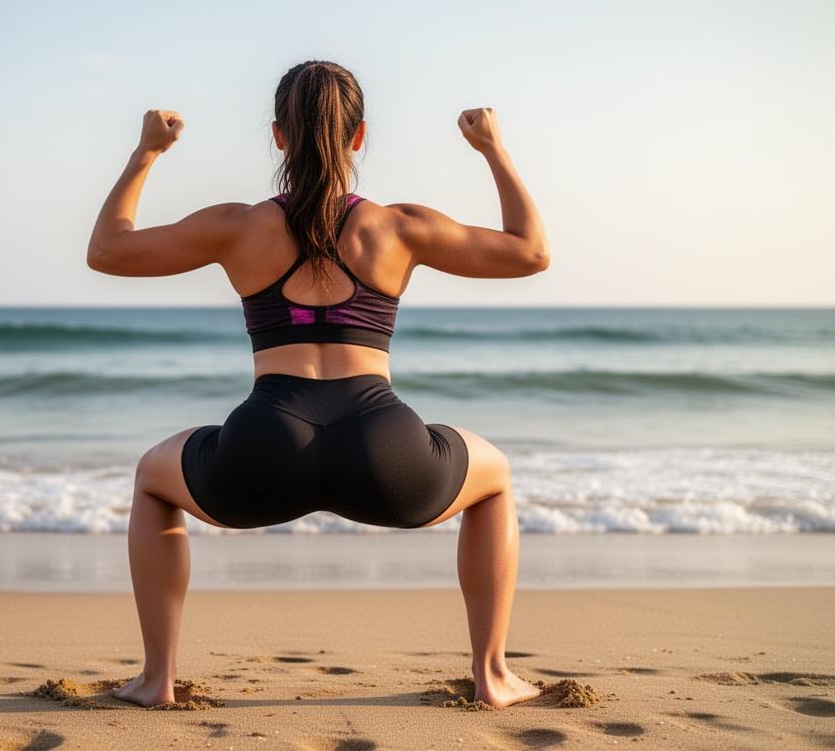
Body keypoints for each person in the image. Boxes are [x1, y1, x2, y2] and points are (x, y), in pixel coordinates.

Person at [86, 60, 550, 710]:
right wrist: (492, 149)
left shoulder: (238, 226)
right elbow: (531, 251)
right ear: (358, 137)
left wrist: (146, 154)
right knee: (494, 478)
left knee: (151, 477)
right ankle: (493, 674)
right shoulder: (398, 226)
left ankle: (158, 680)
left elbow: (107, 250)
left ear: (279, 137)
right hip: (386, 452)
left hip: (264, 447)